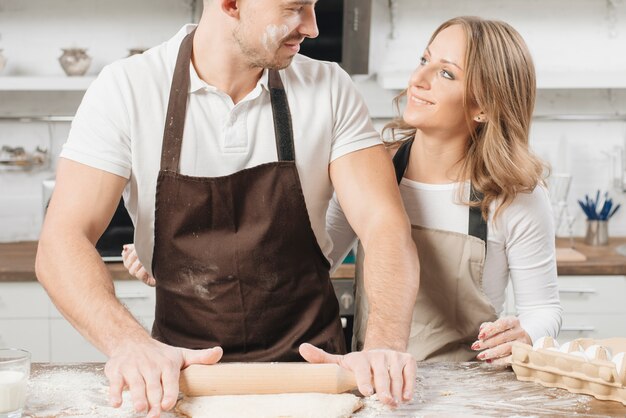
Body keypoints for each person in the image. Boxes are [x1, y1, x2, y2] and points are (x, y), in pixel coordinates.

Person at [35, 1, 420, 417]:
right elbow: (62, 241)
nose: (311, 26)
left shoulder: (329, 87)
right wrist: (130, 345)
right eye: (295, 8)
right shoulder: (129, 88)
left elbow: (384, 225)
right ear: (231, 4)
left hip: (315, 376)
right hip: (179, 379)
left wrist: (383, 346)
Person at [325, 16, 562, 363]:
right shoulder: (374, 170)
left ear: (483, 106)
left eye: (446, 73)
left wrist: (525, 333)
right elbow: (317, 263)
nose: (417, 80)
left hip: (468, 395)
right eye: (424, 61)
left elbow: (544, 308)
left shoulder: (514, 197)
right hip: (375, 383)